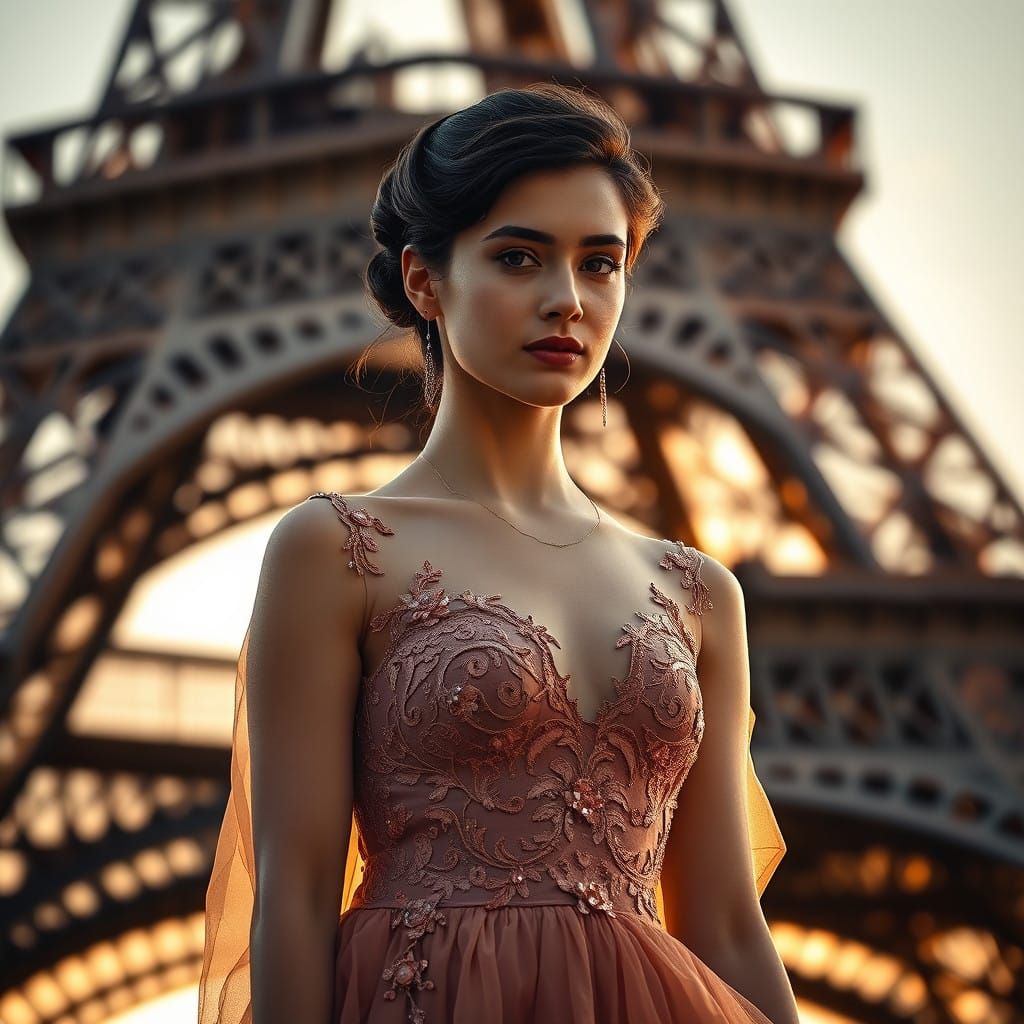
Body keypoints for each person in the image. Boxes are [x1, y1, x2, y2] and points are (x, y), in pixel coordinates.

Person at [198, 83, 796, 1024]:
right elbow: (295, 901)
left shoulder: (698, 591)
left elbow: (723, 925)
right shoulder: (338, 550)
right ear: (425, 281)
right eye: (519, 257)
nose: (566, 299)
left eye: (601, 264)